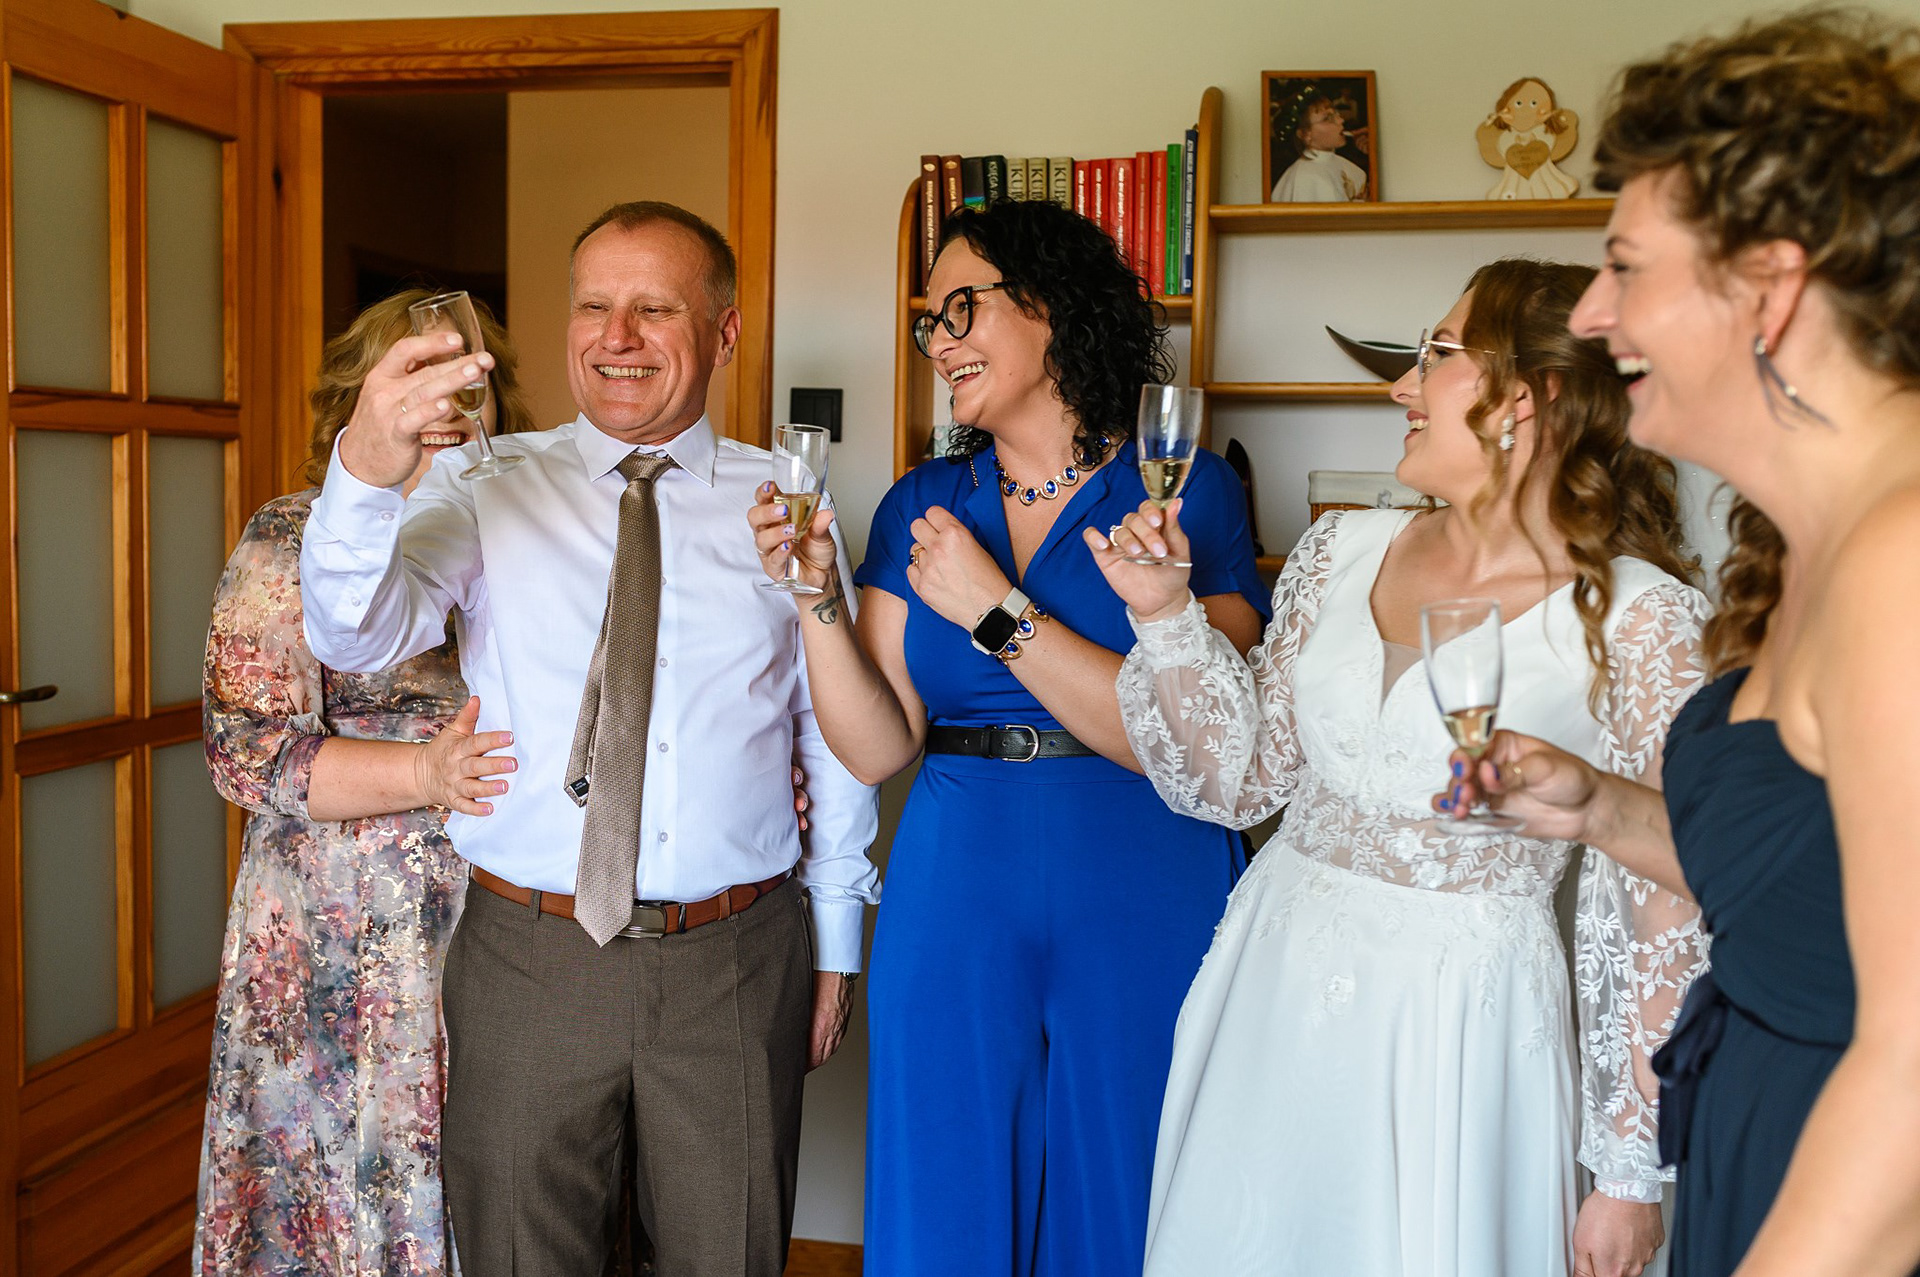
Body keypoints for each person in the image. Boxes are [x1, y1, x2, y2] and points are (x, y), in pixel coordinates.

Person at [1096, 258, 1711, 1277]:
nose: (1401, 387)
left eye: (1436, 356)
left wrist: (1629, 1169)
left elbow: (1664, 905)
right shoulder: (1339, 551)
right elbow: (1243, 783)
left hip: (1461, 1021)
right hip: (1272, 988)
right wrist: (1165, 617)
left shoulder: (1643, 616)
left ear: (1532, 394)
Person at [299, 201, 880, 1277]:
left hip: (736, 959)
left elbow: (830, 734)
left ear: (724, 331)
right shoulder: (480, 482)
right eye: (593, 307)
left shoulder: (787, 497)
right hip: (530, 959)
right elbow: (354, 632)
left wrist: (837, 947)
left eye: (654, 309)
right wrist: (367, 467)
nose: (616, 338)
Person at [1452, 13, 1920, 1277]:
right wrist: (1602, 807)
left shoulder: (1905, 557)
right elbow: (1812, 885)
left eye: (1623, 265)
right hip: (1759, 1133)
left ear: (1770, 285)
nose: (1592, 314)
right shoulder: (1805, 542)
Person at [747, 198, 1268, 1275]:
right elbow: (878, 746)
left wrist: (996, 610)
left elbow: (1193, 743)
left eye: (962, 308)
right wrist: (815, 597)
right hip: (959, 876)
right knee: (944, 1169)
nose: (940, 342)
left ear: (1050, 304)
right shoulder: (922, 502)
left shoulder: (1182, 489)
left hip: (1147, 866)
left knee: (1132, 1173)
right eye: (929, 322)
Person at [196, 288, 532, 1276]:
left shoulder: (532, 532)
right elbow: (244, 749)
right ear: (359, 396)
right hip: (339, 927)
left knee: (506, 1184)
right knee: (337, 1181)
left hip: (507, 913)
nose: (443, 402)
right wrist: (427, 771)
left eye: (463, 379)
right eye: (414, 376)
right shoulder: (291, 534)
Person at [1270, 85, 1369, 202]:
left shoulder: (1336, 160)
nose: (1340, 120)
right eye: (1327, 118)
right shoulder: (1306, 179)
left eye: (1335, 113)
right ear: (1305, 135)